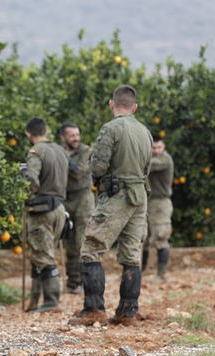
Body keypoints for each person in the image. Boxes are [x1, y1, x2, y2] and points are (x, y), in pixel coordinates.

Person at [70, 85, 153, 327]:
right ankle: (128, 311)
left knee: (92, 248)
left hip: (117, 196)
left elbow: (97, 167)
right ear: (134, 107)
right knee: (131, 255)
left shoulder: (111, 128)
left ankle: (94, 310)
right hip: (140, 197)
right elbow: (147, 167)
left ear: (111, 104)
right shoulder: (145, 131)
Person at [23, 117, 68, 313]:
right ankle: (34, 301)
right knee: (40, 254)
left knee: (44, 256)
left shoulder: (36, 152)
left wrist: (24, 194)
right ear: (46, 131)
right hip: (59, 208)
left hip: (42, 211)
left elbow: (32, 177)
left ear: (28, 134)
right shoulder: (60, 150)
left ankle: (51, 302)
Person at [59, 123, 96, 294]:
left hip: (83, 199)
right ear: (63, 138)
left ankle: (84, 281)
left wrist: (62, 157)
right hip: (66, 198)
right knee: (69, 240)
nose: (75, 138)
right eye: (71, 135)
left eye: (77, 134)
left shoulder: (86, 151)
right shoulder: (60, 151)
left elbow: (78, 171)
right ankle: (72, 281)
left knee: (82, 240)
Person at [142, 135, 174, 281]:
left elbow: (150, 165)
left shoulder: (165, 160)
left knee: (160, 237)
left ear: (164, 147)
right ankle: (139, 272)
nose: (156, 150)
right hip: (147, 202)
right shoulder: (149, 158)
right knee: (144, 239)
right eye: (153, 148)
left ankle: (161, 274)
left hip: (161, 204)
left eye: (158, 147)